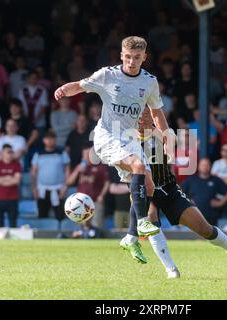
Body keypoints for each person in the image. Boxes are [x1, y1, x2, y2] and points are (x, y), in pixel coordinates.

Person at [54, 36, 173, 237]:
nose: (131, 62)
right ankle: (143, 222)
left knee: (149, 183)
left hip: (130, 139)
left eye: (136, 57)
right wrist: (65, 89)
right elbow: (81, 85)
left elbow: (156, 112)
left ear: (144, 57)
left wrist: (166, 136)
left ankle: (131, 237)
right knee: (139, 166)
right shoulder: (107, 76)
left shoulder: (149, 82)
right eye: (127, 57)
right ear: (121, 56)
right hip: (107, 135)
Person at [122, 108, 227, 278]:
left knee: (203, 228)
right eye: (139, 116)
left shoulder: (162, 134)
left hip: (168, 187)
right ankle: (171, 269)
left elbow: (172, 143)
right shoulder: (126, 140)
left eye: (146, 115)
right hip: (143, 189)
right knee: (150, 214)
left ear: (153, 118)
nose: (142, 119)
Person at [66, 145, 110, 229]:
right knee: (80, 226)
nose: (86, 157)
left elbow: (107, 183)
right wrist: (76, 171)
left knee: (96, 225)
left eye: (88, 154)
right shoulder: (80, 167)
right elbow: (69, 182)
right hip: (80, 202)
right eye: (84, 154)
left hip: (95, 201)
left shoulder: (100, 167)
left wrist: (101, 195)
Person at [31, 131, 70, 221]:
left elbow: (67, 170)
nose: (50, 141)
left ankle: (60, 233)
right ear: (44, 140)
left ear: (55, 140)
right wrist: (34, 188)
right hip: (42, 190)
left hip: (58, 189)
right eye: (47, 138)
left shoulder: (61, 153)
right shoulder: (38, 154)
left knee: (60, 216)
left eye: (52, 138)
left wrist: (65, 187)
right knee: (42, 215)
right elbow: (33, 172)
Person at [182, 158, 227, 225]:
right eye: (203, 165)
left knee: (211, 235)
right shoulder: (191, 180)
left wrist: (220, 203)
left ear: (210, 167)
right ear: (199, 166)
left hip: (211, 217)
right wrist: (188, 202)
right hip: (193, 216)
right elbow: (180, 191)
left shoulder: (216, 180)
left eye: (207, 165)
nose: (205, 167)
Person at [0, 144, 21, 228]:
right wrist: (8, 178)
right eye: (8, 152)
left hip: (12, 199)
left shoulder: (16, 164)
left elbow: (16, 180)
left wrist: (0, 180)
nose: (10, 154)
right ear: (2, 153)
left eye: (11, 152)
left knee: (13, 224)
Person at [18, 70, 49, 135]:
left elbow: (44, 106)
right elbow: (20, 105)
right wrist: (26, 119)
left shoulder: (42, 90)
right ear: (28, 78)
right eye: (31, 78)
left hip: (39, 122)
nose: (33, 80)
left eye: (35, 78)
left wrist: (36, 118)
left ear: (38, 79)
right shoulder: (22, 90)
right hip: (26, 121)